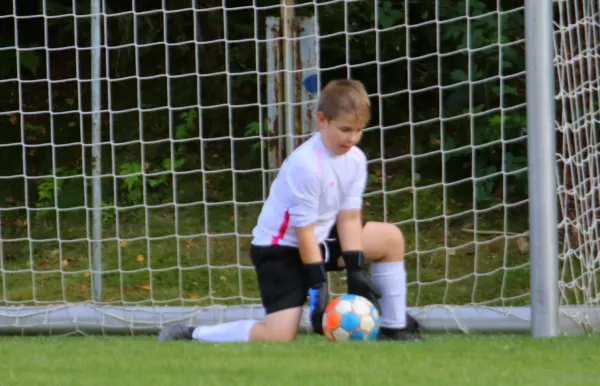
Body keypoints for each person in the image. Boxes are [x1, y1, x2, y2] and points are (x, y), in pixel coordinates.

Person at [158, 79, 423, 343]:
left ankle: (393, 327)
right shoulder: (306, 164)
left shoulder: (355, 159)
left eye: (358, 130)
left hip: (321, 239)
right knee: (279, 336)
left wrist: (355, 269)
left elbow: (349, 216)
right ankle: (191, 334)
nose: (352, 138)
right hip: (281, 248)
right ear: (321, 120)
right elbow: (302, 230)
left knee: (390, 238)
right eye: (344, 129)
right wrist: (318, 286)